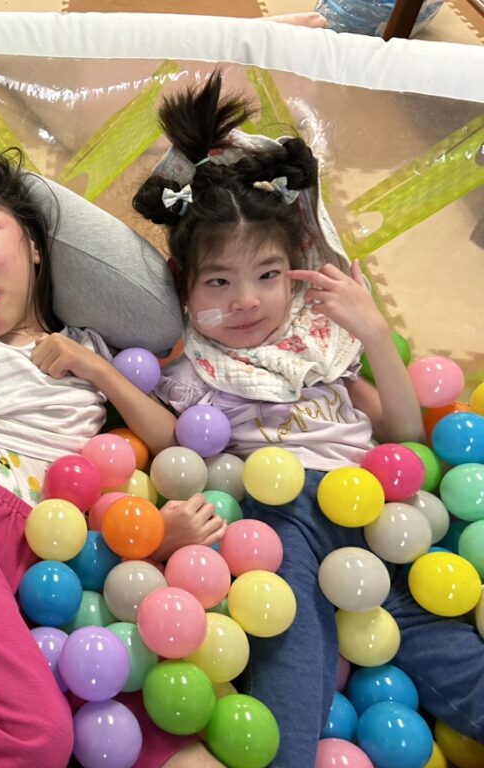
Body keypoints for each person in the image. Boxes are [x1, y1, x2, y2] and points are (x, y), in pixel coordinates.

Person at [135, 71, 484, 765]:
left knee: (459, 660)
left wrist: (375, 333)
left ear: (295, 267)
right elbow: (167, 445)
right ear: (185, 286)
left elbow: (404, 438)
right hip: (281, 526)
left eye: (268, 275)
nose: (246, 301)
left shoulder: (319, 344)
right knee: (291, 693)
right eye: (219, 282)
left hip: (386, 519)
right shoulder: (189, 368)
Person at [0, 124, 228, 768]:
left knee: (163, 737)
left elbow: (167, 440)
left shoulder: (90, 347)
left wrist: (94, 368)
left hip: (57, 556)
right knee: (38, 736)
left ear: (36, 247)